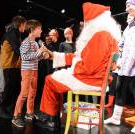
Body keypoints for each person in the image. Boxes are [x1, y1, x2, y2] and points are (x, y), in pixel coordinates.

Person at [37, 2, 121, 130]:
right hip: (94, 77)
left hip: (91, 79)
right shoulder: (103, 34)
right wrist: (54, 55)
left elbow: (88, 66)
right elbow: (80, 58)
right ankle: (53, 118)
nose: (85, 24)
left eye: (87, 21)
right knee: (54, 78)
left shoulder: (100, 36)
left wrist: (71, 70)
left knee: (50, 80)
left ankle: (51, 119)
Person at [104, 0, 135, 133]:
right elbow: (121, 45)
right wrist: (117, 60)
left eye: (129, 5)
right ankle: (116, 117)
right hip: (123, 66)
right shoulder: (129, 27)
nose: (126, 7)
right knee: (119, 90)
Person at [12, 19, 48, 128]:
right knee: (24, 93)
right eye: (39, 29)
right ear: (32, 30)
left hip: (34, 70)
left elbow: (36, 58)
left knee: (33, 93)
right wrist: (39, 52)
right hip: (27, 71)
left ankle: (29, 113)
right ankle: (16, 116)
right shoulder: (26, 42)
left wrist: (43, 55)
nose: (41, 31)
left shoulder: (36, 43)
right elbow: (24, 57)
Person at [0, 16, 27, 119]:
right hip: (9, 65)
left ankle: (9, 109)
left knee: (15, 88)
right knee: (9, 88)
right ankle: (1, 109)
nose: (25, 27)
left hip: (14, 65)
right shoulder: (12, 33)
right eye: (25, 25)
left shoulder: (16, 34)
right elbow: (18, 50)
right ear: (21, 24)